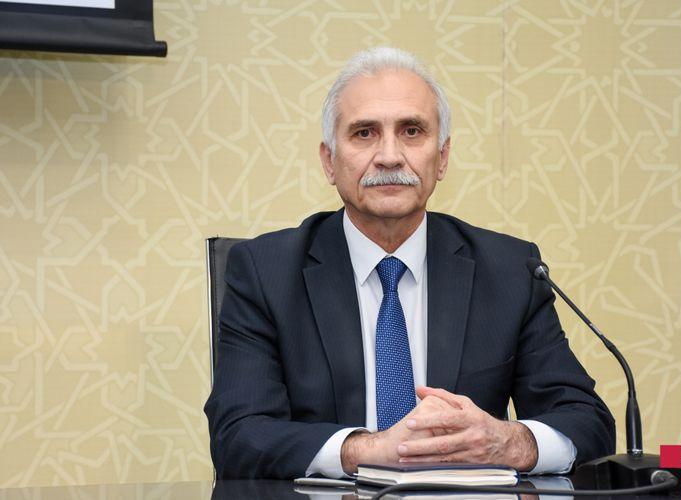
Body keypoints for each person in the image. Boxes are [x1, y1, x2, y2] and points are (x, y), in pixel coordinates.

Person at [204, 47, 615, 479]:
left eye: (412, 131)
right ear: (329, 161)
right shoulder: (265, 273)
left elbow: (586, 421)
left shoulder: (510, 270)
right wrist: (367, 450)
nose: (389, 156)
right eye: (364, 133)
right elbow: (238, 435)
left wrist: (507, 441)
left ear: (442, 157)